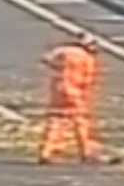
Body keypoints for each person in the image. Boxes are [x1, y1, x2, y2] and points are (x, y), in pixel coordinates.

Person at [38, 32, 101, 164]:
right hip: (75, 91)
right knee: (80, 121)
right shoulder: (88, 58)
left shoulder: (65, 51)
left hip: (58, 89)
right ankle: (85, 152)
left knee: (56, 121)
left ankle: (46, 151)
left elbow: (46, 59)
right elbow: (87, 80)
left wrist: (58, 67)